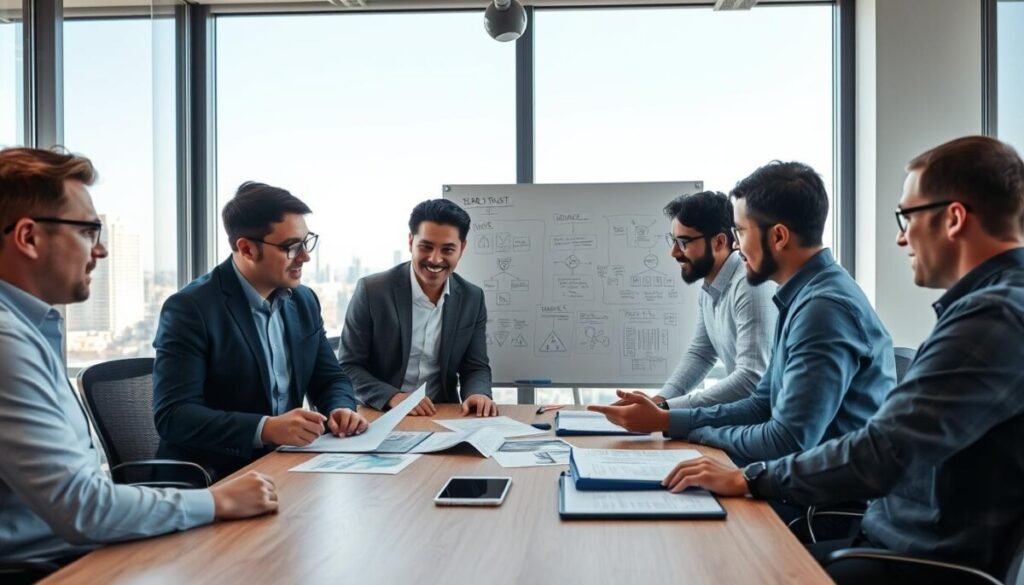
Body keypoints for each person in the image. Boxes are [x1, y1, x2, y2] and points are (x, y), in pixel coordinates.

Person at [660, 136, 1024, 584]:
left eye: (906, 216)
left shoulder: (995, 319)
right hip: (888, 541)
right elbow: (773, 405)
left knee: (706, 563)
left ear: (953, 218)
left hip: (913, 563)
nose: (900, 236)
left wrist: (752, 478)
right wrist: (678, 425)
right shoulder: (985, 310)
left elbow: (881, 452)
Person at [0, 148, 277, 570]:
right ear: (28, 237)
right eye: (89, 230)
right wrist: (215, 500)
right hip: (44, 570)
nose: (101, 250)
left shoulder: (30, 327)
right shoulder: (7, 342)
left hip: (80, 552)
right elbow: (83, 509)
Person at [591, 162, 895, 466]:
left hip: (822, 502)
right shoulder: (800, 296)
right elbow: (761, 404)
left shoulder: (823, 309)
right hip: (798, 479)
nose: (736, 244)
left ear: (778, 237)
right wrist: (669, 419)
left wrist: (688, 429)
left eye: (740, 231)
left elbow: (786, 441)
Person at [153, 181, 367, 480]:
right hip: (215, 477)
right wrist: (266, 428)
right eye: (292, 246)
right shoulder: (191, 309)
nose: (305, 256)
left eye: (307, 242)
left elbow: (329, 378)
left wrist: (341, 409)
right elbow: (174, 416)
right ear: (246, 248)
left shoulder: (303, 300)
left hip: (285, 467)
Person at [617, 190, 777, 409]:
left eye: (683, 242)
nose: (674, 252)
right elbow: (701, 353)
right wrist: (659, 400)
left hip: (771, 425)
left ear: (720, 242)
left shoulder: (750, 286)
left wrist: (666, 410)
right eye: (673, 241)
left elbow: (751, 379)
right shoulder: (709, 288)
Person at [340, 199, 496, 416]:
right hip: (379, 412)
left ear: (462, 249)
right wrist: (393, 397)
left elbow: (475, 366)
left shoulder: (472, 297)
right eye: (426, 247)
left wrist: (477, 393)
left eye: (448, 249)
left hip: (441, 413)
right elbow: (348, 366)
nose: (435, 259)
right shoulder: (372, 291)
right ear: (411, 241)